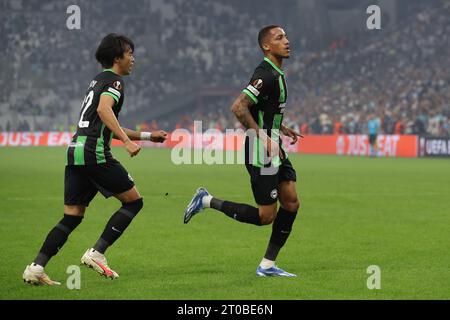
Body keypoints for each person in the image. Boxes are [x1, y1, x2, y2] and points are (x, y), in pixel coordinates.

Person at [22, 33, 167, 285]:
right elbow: (103, 110)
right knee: (134, 202)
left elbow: (107, 120)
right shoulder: (115, 82)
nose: (133, 59)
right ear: (117, 57)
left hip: (76, 151)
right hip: (94, 152)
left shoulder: (97, 81)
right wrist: (129, 142)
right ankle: (97, 253)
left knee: (72, 215)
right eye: (130, 53)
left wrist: (146, 136)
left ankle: (36, 267)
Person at [183, 26, 302, 277]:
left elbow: (264, 111)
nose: (287, 41)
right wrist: (263, 136)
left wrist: (283, 128)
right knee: (265, 216)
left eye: (286, 36)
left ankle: (267, 265)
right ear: (266, 46)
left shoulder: (277, 73)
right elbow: (238, 107)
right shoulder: (265, 74)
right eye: (280, 38)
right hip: (262, 150)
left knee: (291, 201)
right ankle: (206, 200)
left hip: (273, 145)